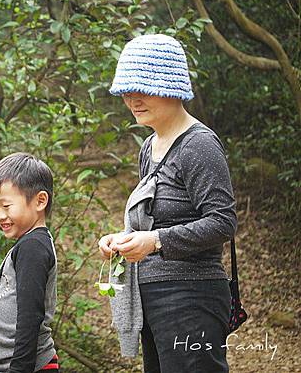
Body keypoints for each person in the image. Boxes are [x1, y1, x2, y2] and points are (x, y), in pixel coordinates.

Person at [98, 34, 237, 373]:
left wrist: (155, 242)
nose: (133, 99)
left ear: (171, 86)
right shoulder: (149, 146)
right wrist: (124, 239)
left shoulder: (199, 145)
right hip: (153, 298)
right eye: (127, 91)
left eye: (143, 88)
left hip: (192, 299)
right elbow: (153, 221)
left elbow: (223, 221)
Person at [0, 153, 60, 373]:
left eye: (6, 206)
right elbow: (6, 303)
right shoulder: (27, 243)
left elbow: (29, 317)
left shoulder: (33, 247)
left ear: (40, 201)